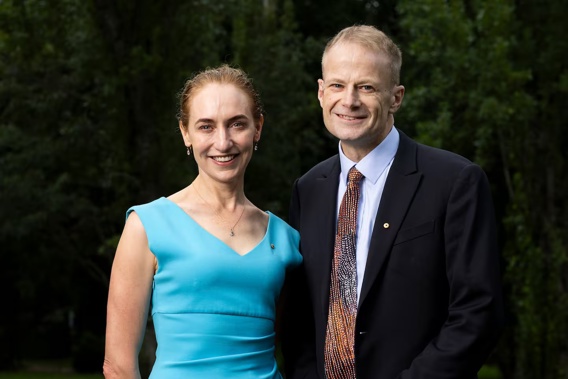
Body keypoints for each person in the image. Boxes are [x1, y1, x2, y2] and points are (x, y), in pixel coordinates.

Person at [282, 25, 505, 379]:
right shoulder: (308, 188)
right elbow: (299, 315)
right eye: (338, 85)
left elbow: (478, 311)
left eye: (366, 87)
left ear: (396, 97)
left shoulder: (454, 181)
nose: (349, 100)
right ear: (321, 93)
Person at [103, 64, 302, 379]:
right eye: (206, 126)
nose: (223, 143)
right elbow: (118, 367)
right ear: (186, 133)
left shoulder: (287, 239)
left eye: (237, 124)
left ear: (258, 127)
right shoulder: (147, 225)